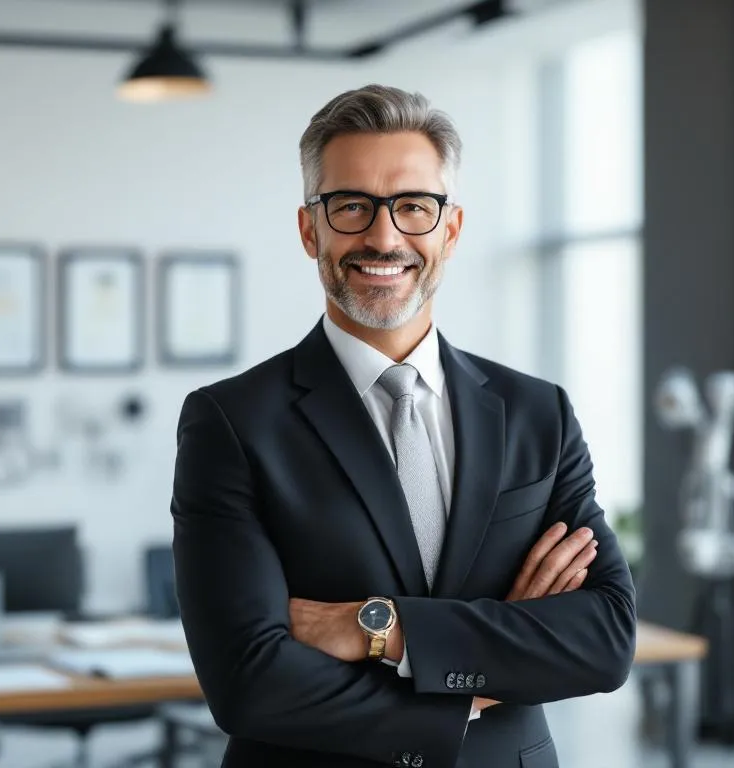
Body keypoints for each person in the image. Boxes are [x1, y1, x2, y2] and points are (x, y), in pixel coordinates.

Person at [171, 83, 637, 768]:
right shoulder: (232, 423)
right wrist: (471, 688)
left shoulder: (538, 414)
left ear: (449, 230)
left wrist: (377, 629)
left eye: (413, 207)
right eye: (351, 206)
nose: (384, 236)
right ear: (310, 230)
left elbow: (603, 638)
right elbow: (250, 683)